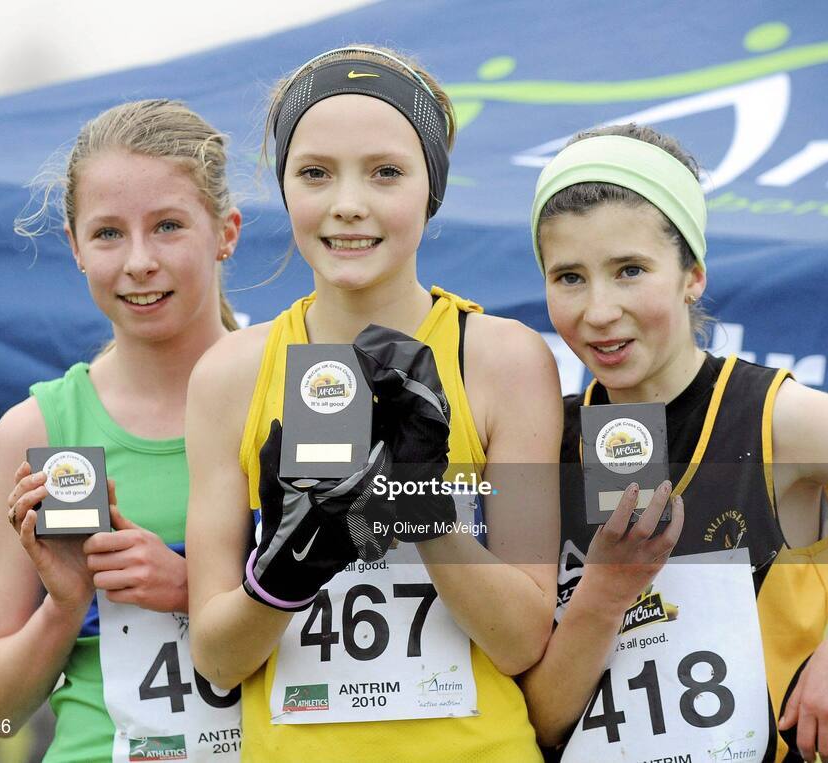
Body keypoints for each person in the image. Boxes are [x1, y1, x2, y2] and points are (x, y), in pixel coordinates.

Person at [185, 45, 562, 762]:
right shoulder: (230, 374)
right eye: (315, 173)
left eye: (386, 171)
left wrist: (421, 512)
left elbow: (521, 641)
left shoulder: (503, 359)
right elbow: (217, 660)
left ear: (431, 187)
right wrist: (288, 568)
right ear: (285, 188)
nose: (348, 204)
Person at [520, 124, 828, 762]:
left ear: (693, 275)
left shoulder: (781, 421)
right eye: (569, 277)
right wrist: (603, 594)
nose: (598, 311)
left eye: (630, 270)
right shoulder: (545, 440)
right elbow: (543, 724)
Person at [0, 99, 245, 762]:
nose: (139, 261)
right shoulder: (45, 430)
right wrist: (64, 606)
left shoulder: (296, 396)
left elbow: (362, 643)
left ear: (226, 232)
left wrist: (190, 588)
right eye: (109, 233)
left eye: (169, 225)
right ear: (74, 245)